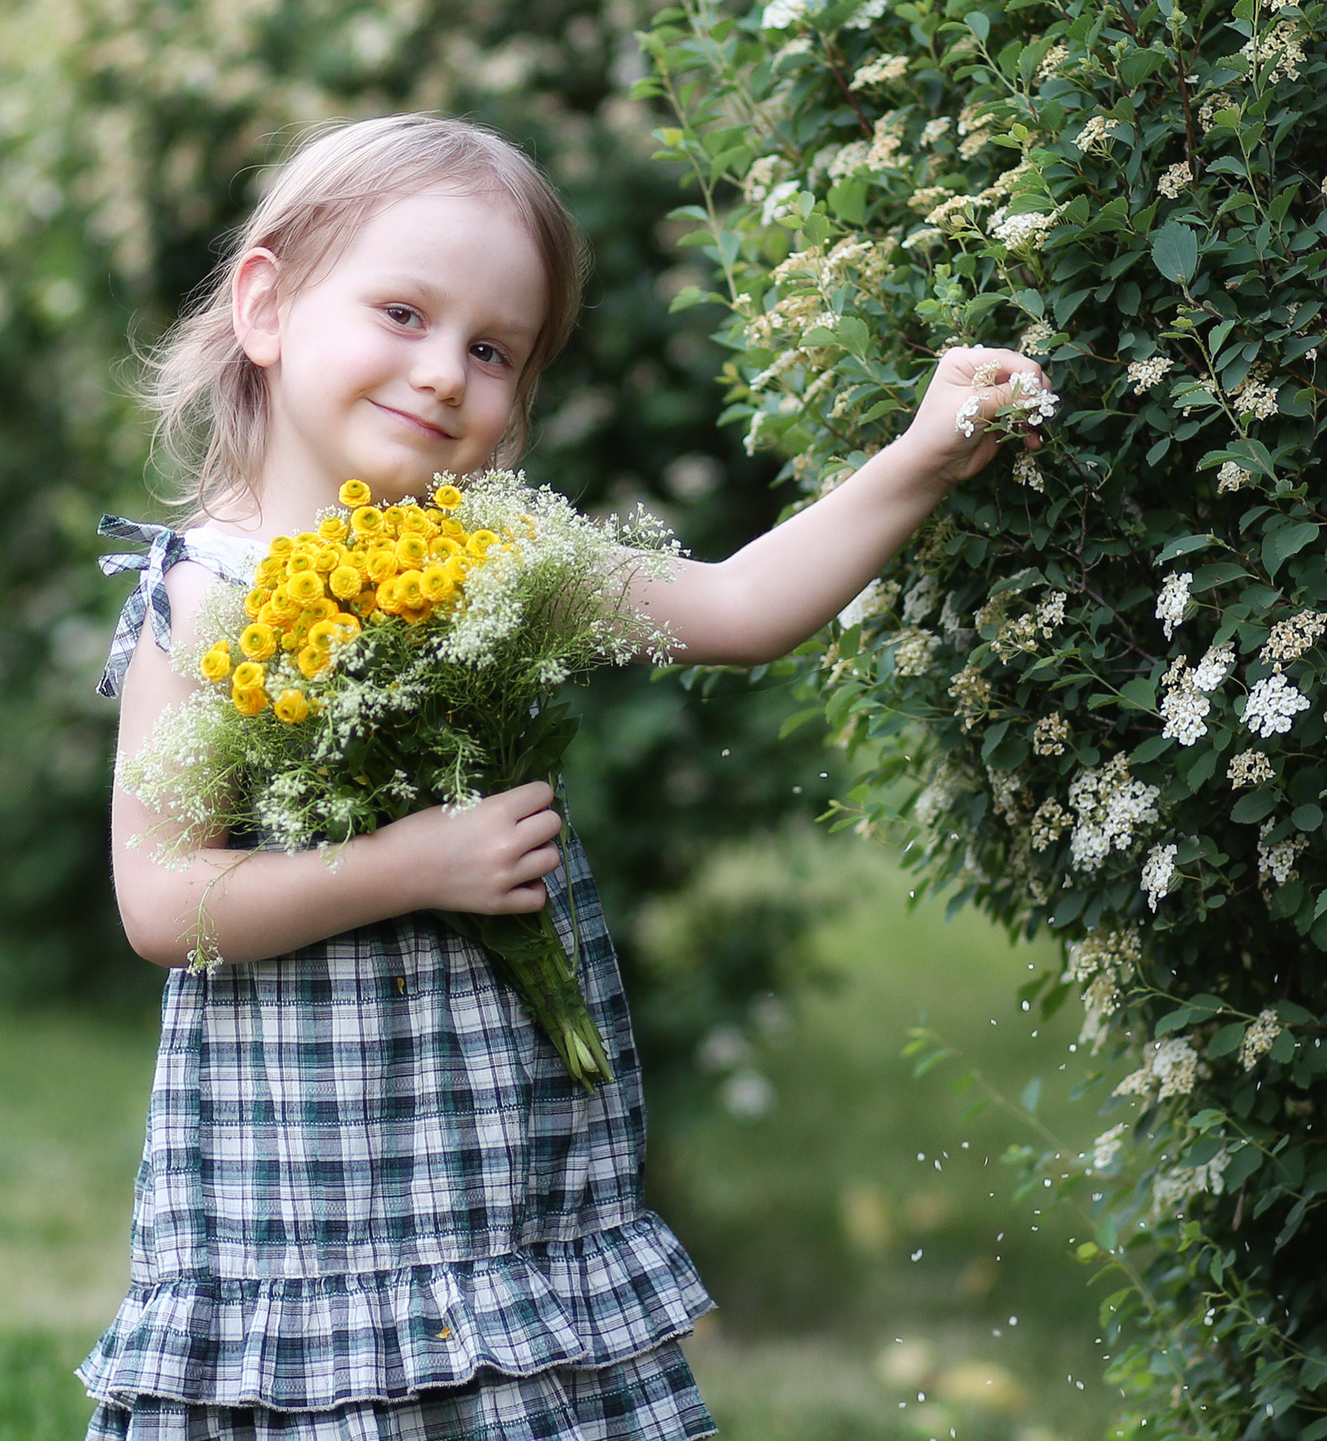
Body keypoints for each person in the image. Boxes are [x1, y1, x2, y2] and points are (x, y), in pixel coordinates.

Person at [84, 113, 1047, 1439]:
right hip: (309, 1213)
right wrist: (408, 867)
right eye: (404, 313)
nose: (443, 372)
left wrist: (925, 455)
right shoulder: (202, 600)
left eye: (493, 350)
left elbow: (738, 606)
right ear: (267, 305)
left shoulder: (501, 563)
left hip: (508, 1197)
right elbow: (163, 899)